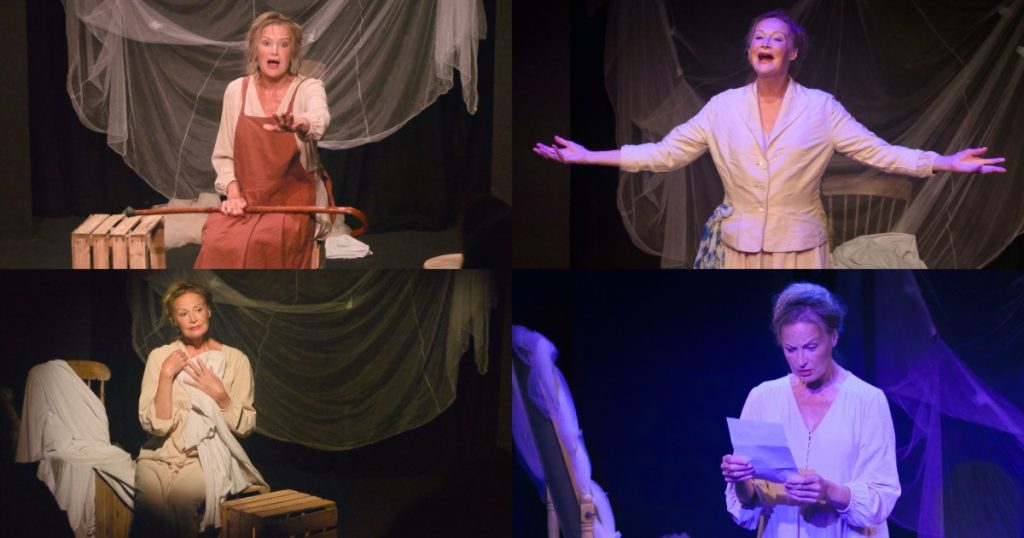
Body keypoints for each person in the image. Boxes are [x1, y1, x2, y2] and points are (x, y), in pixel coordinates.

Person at [533, 9, 1007, 269]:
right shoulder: (722, 107)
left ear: (792, 52)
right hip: (736, 249)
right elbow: (665, 153)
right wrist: (589, 156)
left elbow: (879, 153)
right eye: (759, 37)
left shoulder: (821, 107)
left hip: (800, 247)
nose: (766, 42)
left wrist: (945, 162)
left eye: (777, 37)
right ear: (750, 51)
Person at [720, 283, 900, 537]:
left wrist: (828, 491)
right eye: (790, 349)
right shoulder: (762, 398)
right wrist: (739, 478)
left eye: (811, 347)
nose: (801, 361)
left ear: (833, 337)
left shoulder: (867, 400)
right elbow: (749, 501)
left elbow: (880, 496)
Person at [195, 11, 331, 268]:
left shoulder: (308, 87)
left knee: (267, 240)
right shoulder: (236, 90)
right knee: (215, 240)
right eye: (266, 43)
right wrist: (233, 195)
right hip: (248, 200)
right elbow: (224, 155)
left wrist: (301, 123)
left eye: (284, 44)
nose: (275, 51)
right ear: (254, 50)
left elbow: (320, 117)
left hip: (294, 201)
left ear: (293, 52)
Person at [134, 281, 264, 537]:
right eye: (183, 313)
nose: (193, 319)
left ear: (209, 311)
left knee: (180, 502)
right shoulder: (161, 357)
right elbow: (157, 427)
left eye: (198, 309)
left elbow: (246, 426)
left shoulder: (236, 360)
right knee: (150, 510)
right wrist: (166, 375)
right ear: (174, 319)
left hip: (205, 457)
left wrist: (221, 396)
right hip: (158, 456)